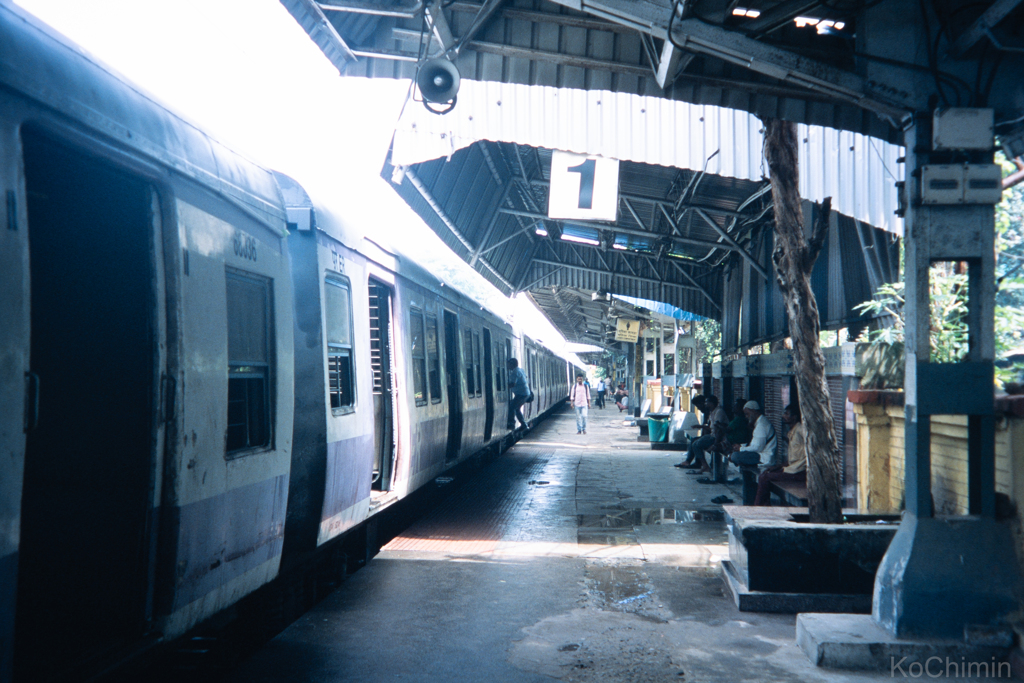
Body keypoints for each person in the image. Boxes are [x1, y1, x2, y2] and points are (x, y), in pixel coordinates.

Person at [754, 403, 806, 505]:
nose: (783, 416)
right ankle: (764, 505)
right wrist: (777, 466)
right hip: (793, 469)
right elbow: (793, 460)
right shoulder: (792, 431)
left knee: (764, 478)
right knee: (764, 473)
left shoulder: (801, 430)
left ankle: (759, 506)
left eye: (786, 414)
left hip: (800, 472)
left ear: (794, 417)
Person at [675, 395, 727, 472]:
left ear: (711, 403)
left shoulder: (719, 412)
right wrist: (701, 426)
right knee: (695, 442)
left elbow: (718, 429)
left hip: (717, 437)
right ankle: (700, 463)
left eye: (707, 402)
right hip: (712, 435)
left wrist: (715, 443)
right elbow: (711, 427)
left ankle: (703, 465)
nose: (705, 404)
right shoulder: (712, 412)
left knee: (697, 444)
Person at [728, 400, 777, 468]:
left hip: (763, 457)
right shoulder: (759, 423)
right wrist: (741, 446)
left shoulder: (761, 425)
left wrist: (741, 449)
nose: (746, 417)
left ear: (754, 411)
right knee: (734, 454)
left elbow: (757, 448)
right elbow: (754, 444)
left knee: (735, 456)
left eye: (747, 414)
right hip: (759, 454)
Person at [506, 358, 531, 430]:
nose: (507, 366)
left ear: (512, 364)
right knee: (516, 408)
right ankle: (524, 425)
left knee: (512, 407)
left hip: (521, 394)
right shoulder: (520, 370)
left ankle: (511, 424)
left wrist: (504, 387)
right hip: (525, 393)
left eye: (508, 364)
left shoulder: (515, 372)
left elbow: (513, 384)